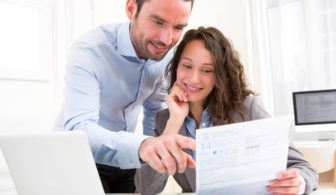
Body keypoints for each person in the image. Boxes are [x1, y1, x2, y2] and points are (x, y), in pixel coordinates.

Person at [134, 27, 319, 195]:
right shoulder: (164, 120)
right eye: (187, 66)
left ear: (220, 75)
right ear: (176, 67)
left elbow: (304, 167)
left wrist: (298, 181)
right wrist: (174, 122)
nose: (193, 79)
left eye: (207, 70)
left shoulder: (247, 109)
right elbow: (146, 188)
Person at [60, 0, 196, 193]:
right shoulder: (90, 50)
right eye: (157, 22)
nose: (166, 39)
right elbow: (80, 130)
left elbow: (153, 110)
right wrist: (143, 146)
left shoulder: (166, 54)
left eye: (178, 27)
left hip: (127, 160)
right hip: (80, 159)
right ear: (131, 8)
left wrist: (150, 162)